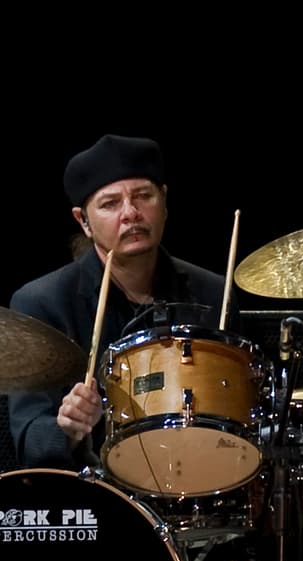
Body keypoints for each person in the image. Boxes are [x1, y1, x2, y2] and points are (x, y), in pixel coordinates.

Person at [7, 133, 232, 471]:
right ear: (83, 221)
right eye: (110, 204)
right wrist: (67, 428)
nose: (131, 213)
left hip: (200, 484)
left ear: (165, 201)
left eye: (143, 196)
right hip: (93, 501)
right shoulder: (42, 303)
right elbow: (28, 439)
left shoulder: (214, 294)